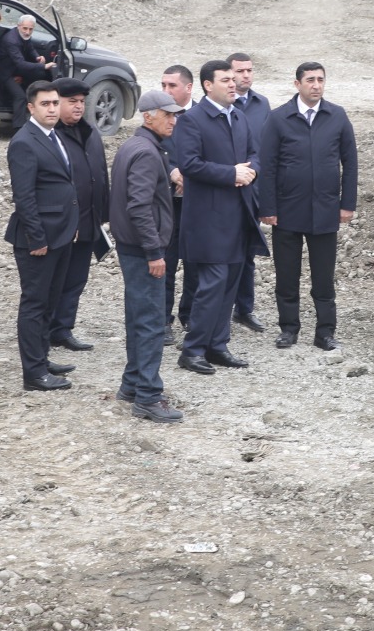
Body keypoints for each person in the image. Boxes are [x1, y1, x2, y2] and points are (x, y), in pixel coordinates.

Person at [174, 59, 267, 374]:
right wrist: (231, 174)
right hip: (209, 219)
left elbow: (255, 154)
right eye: (225, 79)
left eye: (234, 78)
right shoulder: (193, 120)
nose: (233, 83)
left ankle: (218, 345)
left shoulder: (239, 116)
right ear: (207, 85)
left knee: (230, 284)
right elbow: (189, 163)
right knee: (212, 285)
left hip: (240, 215)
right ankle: (193, 350)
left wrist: (249, 170)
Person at [258, 61, 358, 351]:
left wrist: (347, 203)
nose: (316, 85)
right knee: (287, 276)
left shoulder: (337, 116)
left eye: (321, 79)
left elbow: (350, 163)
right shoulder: (278, 118)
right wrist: (269, 207)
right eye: (310, 80)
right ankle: (289, 329)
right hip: (288, 210)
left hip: (326, 210)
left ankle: (325, 332)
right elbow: (268, 167)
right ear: (297, 84)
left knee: (323, 278)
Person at [109, 89, 185, 422]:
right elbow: (138, 207)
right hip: (143, 251)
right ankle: (148, 397)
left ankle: (132, 384)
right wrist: (155, 252)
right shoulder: (146, 152)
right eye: (167, 114)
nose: (173, 120)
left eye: (174, 114)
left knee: (140, 318)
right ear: (147, 115)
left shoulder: (139, 147)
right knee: (152, 322)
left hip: (135, 248)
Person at [4, 81, 81, 391]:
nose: (52, 108)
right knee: (35, 304)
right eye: (45, 104)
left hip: (61, 236)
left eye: (54, 103)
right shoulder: (24, 141)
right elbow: (24, 198)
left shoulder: (54, 136)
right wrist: (37, 239)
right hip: (39, 241)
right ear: (31, 108)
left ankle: (42, 357)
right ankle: (34, 374)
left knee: (50, 302)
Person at [49, 77, 110, 353]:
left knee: (76, 279)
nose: (78, 107)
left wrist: (104, 214)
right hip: (61, 225)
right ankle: (45, 329)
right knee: (54, 280)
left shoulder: (91, 132)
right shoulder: (50, 136)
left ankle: (63, 328)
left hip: (88, 220)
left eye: (82, 102)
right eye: (72, 101)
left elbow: (100, 174)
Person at [227, 52, 270, 334]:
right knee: (220, 254)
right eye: (240, 71)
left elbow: (265, 149)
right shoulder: (222, 105)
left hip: (252, 190)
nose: (245, 75)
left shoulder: (261, 104)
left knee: (247, 252)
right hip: (224, 189)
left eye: (249, 70)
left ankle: (244, 309)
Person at [160, 65, 194, 337]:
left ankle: (191, 315)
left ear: (188, 87)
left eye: (172, 86)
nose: (166, 91)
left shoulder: (204, 115)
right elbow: (150, 149)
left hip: (198, 204)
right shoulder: (159, 116)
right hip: (168, 204)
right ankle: (163, 319)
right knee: (166, 263)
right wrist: (171, 170)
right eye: (163, 86)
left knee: (196, 262)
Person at [0, 15, 56, 130]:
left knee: (40, 75)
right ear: (18, 26)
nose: (27, 32)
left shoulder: (23, 36)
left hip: (16, 70)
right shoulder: (11, 40)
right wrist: (44, 66)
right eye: (25, 28)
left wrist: (37, 58)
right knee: (20, 96)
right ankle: (19, 128)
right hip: (5, 74)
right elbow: (21, 64)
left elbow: (30, 48)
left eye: (30, 29)